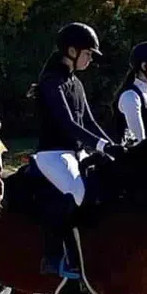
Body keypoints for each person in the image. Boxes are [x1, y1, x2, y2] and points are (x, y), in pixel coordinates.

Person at [32, 22, 123, 278]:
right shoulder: (52, 81)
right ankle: (59, 255)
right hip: (52, 154)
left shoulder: (76, 83)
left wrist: (113, 148)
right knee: (78, 191)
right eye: (89, 53)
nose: (91, 58)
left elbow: (90, 122)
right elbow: (68, 124)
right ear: (72, 51)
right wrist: (103, 146)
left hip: (75, 153)